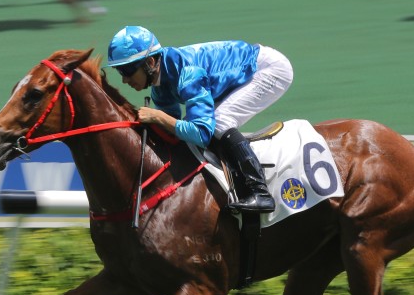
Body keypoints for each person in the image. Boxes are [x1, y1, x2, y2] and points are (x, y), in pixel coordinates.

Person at [106, 25, 294, 214]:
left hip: (269, 69)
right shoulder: (160, 87)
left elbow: (201, 133)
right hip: (240, 72)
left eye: (127, 70)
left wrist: (157, 116)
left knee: (220, 122)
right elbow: (171, 133)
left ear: (150, 61)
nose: (124, 80)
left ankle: (261, 193)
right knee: (190, 124)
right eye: (120, 72)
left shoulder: (188, 74)